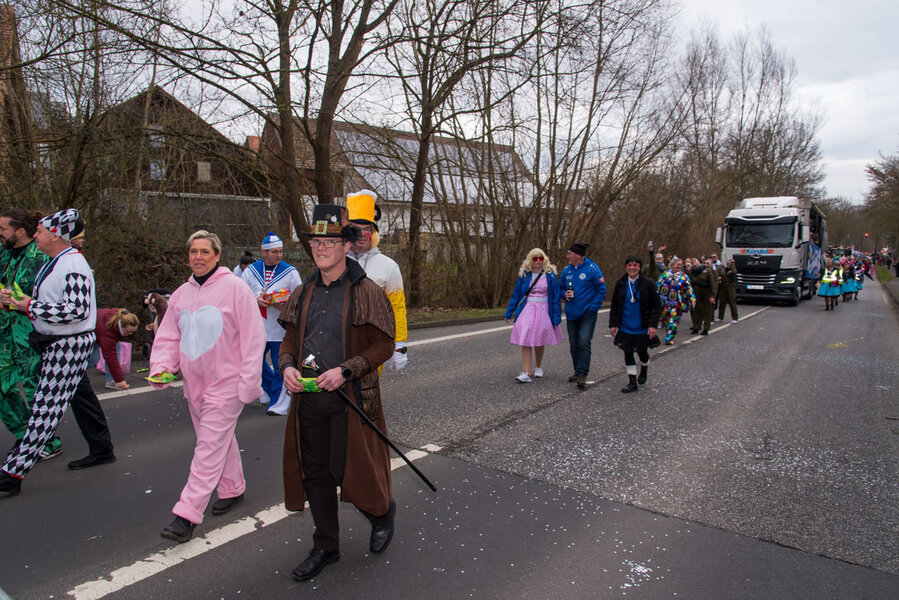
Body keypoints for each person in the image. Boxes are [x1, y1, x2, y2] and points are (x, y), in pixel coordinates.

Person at [278, 204, 396, 582]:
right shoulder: (303, 292)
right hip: (309, 401)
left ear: (346, 246)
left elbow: (384, 346)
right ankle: (326, 545)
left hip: (352, 400)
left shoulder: (367, 291)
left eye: (330, 241)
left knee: (357, 473)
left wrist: (346, 370)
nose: (322, 248)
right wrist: (287, 367)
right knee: (317, 473)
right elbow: (289, 341)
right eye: (317, 242)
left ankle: (381, 514)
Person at [149, 230, 266, 542]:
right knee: (217, 440)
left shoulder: (236, 289)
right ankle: (232, 487)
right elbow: (169, 336)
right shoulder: (180, 295)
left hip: (227, 385)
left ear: (217, 255)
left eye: (204, 251)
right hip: (194, 386)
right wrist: (161, 368)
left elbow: (254, 337)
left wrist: (248, 382)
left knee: (207, 448)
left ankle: (186, 515)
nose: (198, 257)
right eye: (193, 251)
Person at [0, 209, 97, 495]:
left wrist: (27, 306)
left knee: (45, 410)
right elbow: (48, 301)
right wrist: (14, 300)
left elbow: (76, 311)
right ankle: (14, 472)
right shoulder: (58, 261)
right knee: (46, 410)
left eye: (40, 231)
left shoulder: (73, 264)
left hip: (69, 344)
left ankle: (12, 473)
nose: (36, 235)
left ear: (55, 236)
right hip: (57, 342)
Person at [0, 208, 62, 461]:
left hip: (31, 335)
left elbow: (50, 295)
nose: (0, 233)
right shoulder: (3, 253)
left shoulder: (41, 257)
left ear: (20, 231)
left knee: (35, 389)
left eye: (3, 229)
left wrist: (14, 299)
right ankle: (25, 436)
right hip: (5, 336)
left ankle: (46, 442)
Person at [66, 308, 139, 470]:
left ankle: (87, 372)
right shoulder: (107, 333)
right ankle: (101, 377)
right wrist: (120, 380)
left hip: (89, 334)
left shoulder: (117, 317)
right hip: (87, 336)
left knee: (97, 356)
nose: (130, 335)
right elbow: (110, 356)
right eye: (129, 332)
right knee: (97, 357)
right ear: (122, 325)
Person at [346, 190, 409, 371]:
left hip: (373, 344)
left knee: (369, 386)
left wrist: (399, 345)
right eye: (356, 230)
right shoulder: (335, 263)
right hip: (338, 343)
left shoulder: (388, 266)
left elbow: (396, 307)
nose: (362, 235)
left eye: (367, 230)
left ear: (373, 233)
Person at [241, 233, 302, 415]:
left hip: (280, 328)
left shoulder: (290, 272)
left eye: (280, 251)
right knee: (253, 364)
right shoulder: (250, 271)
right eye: (274, 252)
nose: (279, 255)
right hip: (256, 327)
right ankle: (268, 392)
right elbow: (239, 294)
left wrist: (282, 303)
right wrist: (255, 300)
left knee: (280, 365)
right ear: (264, 252)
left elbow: (300, 297)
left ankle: (279, 403)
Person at [504, 248, 563, 382]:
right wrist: (509, 312)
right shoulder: (525, 275)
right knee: (525, 337)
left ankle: (538, 366)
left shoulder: (550, 275)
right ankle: (526, 372)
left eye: (540, 258)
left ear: (544, 259)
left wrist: (556, 318)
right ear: (530, 260)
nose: (537, 261)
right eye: (535, 258)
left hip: (544, 309)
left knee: (539, 338)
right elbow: (517, 294)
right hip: (528, 308)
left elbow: (555, 298)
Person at [609, 255, 661, 393]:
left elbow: (656, 306)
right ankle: (632, 382)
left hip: (642, 325)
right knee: (628, 352)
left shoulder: (648, 283)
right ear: (626, 267)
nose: (632, 268)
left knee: (642, 353)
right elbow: (615, 305)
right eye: (629, 265)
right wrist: (613, 324)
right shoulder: (620, 283)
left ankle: (644, 368)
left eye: (635, 265)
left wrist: (653, 325)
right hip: (625, 325)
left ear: (639, 267)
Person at [560, 242, 606, 390]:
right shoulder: (566, 271)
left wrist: (593, 307)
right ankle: (577, 370)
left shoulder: (592, 268)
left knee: (584, 341)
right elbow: (559, 288)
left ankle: (583, 374)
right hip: (572, 313)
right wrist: (564, 294)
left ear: (578, 255)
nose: (567, 256)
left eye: (570, 254)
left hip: (587, 313)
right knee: (574, 343)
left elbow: (602, 289)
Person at [657, 257, 695, 345]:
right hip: (664, 303)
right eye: (677, 265)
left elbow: (689, 289)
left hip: (677, 303)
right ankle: (670, 330)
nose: (679, 266)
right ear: (672, 265)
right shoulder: (665, 275)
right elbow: (657, 286)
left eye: (681, 265)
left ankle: (669, 338)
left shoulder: (684, 277)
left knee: (674, 320)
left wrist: (692, 299)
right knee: (665, 319)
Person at [689, 258, 718, 335]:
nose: (693, 262)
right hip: (696, 292)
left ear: (699, 262)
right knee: (696, 309)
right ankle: (696, 327)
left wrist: (713, 295)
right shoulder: (692, 272)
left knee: (707, 310)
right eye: (692, 262)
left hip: (707, 292)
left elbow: (712, 284)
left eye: (694, 261)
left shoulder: (707, 271)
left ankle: (706, 328)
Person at [716, 258, 739, 323]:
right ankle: (720, 317)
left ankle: (735, 318)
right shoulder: (723, 269)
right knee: (722, 302)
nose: (729, 263)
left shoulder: (733, 270)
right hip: (722, 287)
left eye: (730, 263)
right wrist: (719, 277)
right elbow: (719, 274)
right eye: (729, 262)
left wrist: (733, 264)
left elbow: (734, 272)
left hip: (730, 287)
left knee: (732, 302)